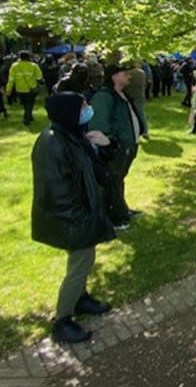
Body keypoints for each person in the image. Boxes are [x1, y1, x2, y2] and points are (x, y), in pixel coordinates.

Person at [31, 92, 116, 343]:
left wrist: (105, 145)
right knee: (79, 265)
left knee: (85, 261)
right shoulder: (52, 142)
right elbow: (55, 191)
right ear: (68, 111)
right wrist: (80, 218)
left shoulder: (73, 136)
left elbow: (97, 171)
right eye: (83, 106)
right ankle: (62, 320)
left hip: (83, 213)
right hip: (72, 217)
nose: (88, 109)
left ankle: (80, 299)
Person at [88, 64, 144, 230]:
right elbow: (98, 124)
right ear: (114, 77)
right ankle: (113, 218)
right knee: (111, 181)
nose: (129, 76)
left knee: (119, 179)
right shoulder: (105, 97)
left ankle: (122, 209)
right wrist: (112, 143)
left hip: (129, 144)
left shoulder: (122, 94)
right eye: (124, 73)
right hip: (117, 147)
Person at [6, 50, 43, 126]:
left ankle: (29, 116)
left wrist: (8, 89)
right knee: (29, 104)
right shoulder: (34, 65)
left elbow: (11, 79)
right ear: (29, 57)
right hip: (31, 88)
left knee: (25, 104)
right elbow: (39, 77)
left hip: (19, 89)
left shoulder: (14, 66)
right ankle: (26, 119)